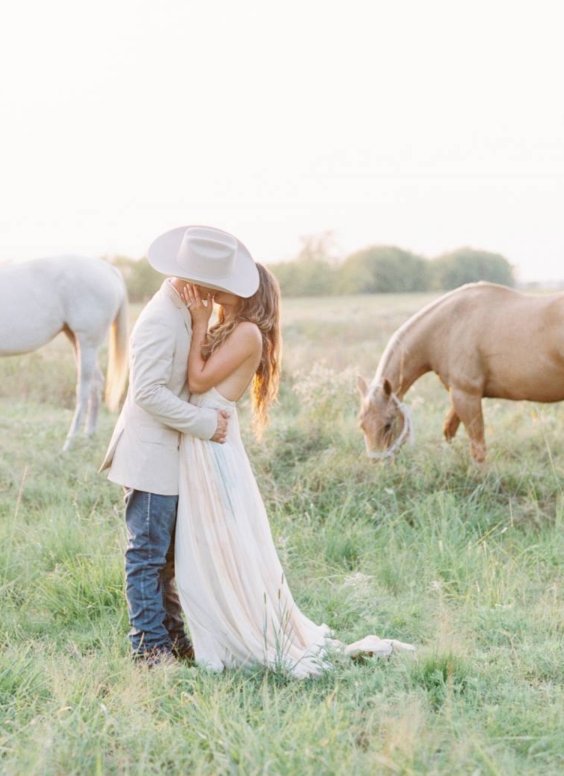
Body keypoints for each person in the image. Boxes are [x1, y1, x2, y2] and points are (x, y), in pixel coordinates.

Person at [158, 229, 413, 677]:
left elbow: (197, 382)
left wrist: (198, 322)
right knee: (205, 544)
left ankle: (238, 628)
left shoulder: (249, 334)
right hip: (202, 439)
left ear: (247, 295)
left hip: (212, 446)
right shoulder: (231, 328)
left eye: (227, 288)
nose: (217, 292)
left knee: (219, 542)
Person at [99, 225, 248, 667]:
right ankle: (148, 649)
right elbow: (146, 392)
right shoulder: (162, 317)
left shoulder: (186, 310)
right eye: (218, 286)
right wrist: (204, 423)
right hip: (150, 456)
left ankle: (172, 638)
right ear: (197, 281)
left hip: (170, 455)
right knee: (146, 556)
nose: (222, 295)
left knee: (166, 559)